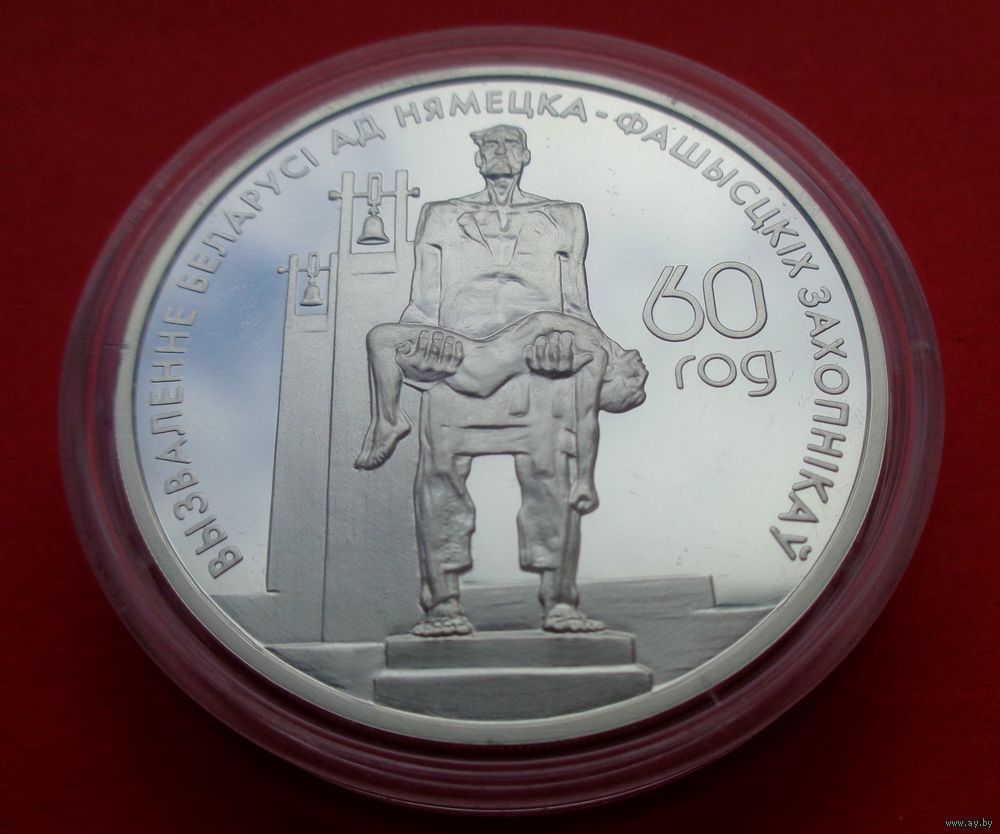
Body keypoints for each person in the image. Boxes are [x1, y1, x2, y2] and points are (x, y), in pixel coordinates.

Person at [388, 124, 641, 636]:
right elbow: (422, 303)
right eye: (489, 145)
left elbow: (576, 305)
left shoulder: (563, 217)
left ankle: (560, 601)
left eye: (509, 145)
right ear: (477, 157)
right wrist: (420, 349)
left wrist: (607, 357)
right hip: (457, 362)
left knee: (551, 478)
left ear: (525, 155)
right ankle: (442, 604)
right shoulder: (441, 216)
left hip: (540, 364)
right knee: (438, 476)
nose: (499, 153)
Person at [354, 315, 649, 509]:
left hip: (480, 368)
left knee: (382, 338)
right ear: (614, 376)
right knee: (382, 339)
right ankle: (389, 419)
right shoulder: (595, 354)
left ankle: (389, 420)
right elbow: (586, 420)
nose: (589, 397)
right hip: (480, 363)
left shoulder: (592, 341)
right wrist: (584, 481)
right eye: (602, 397)